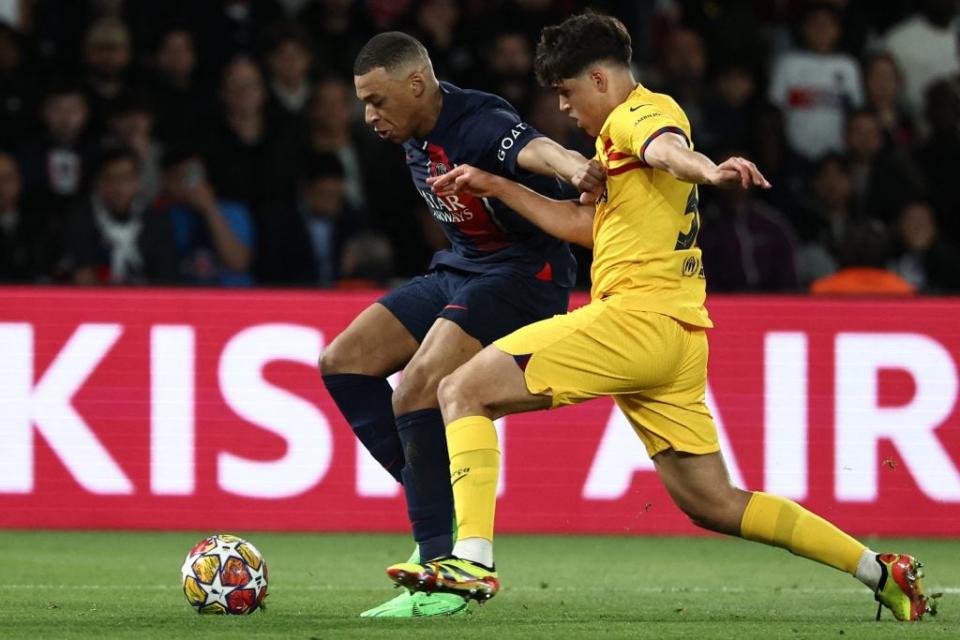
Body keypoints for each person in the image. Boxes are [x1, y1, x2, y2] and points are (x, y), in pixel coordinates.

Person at [387, 12, 938, 623]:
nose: (565, 109)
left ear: (599, 79)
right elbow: (586, 228)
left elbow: (671, 151)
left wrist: (711, 169)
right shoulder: (613, 143)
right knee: (713, 502)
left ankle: (472, 558)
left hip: (636, 319)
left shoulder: (639, 115)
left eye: (568, 93)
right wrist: (496, 185)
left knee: (460, 388)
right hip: (675, 337)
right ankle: (879, 569)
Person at [319, 31, 601, 618]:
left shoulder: (477, 122)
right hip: (461, 270)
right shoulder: (412, 132)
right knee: (342, 362)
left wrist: (577, 169)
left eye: (377, 100)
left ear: (417, 85)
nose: (368, 115)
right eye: (362, 101)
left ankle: (439, 569)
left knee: (418, 387)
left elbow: (538, 149)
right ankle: (433, 497)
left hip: (524, 276)